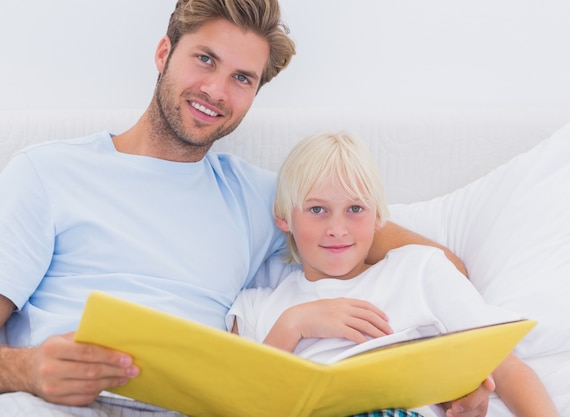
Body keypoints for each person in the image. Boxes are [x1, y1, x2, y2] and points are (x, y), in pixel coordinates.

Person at [0, 0, 489, 416]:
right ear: (164, 52)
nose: (216, 91)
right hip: (57, 402)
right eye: (205, 60)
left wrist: (453, 373)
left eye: (241, 78)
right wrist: (26, 368)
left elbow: (432, 262)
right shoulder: (46, 173)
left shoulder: (264, 198)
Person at [227, 131, 560, 417]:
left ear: (377, 217)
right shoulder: (256, 307)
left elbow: (509, 369)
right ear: (284, 216)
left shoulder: (420, 270)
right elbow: (240, 403)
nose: (338, 229)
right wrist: (293, 325)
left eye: (355, 209)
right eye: (317, 210)